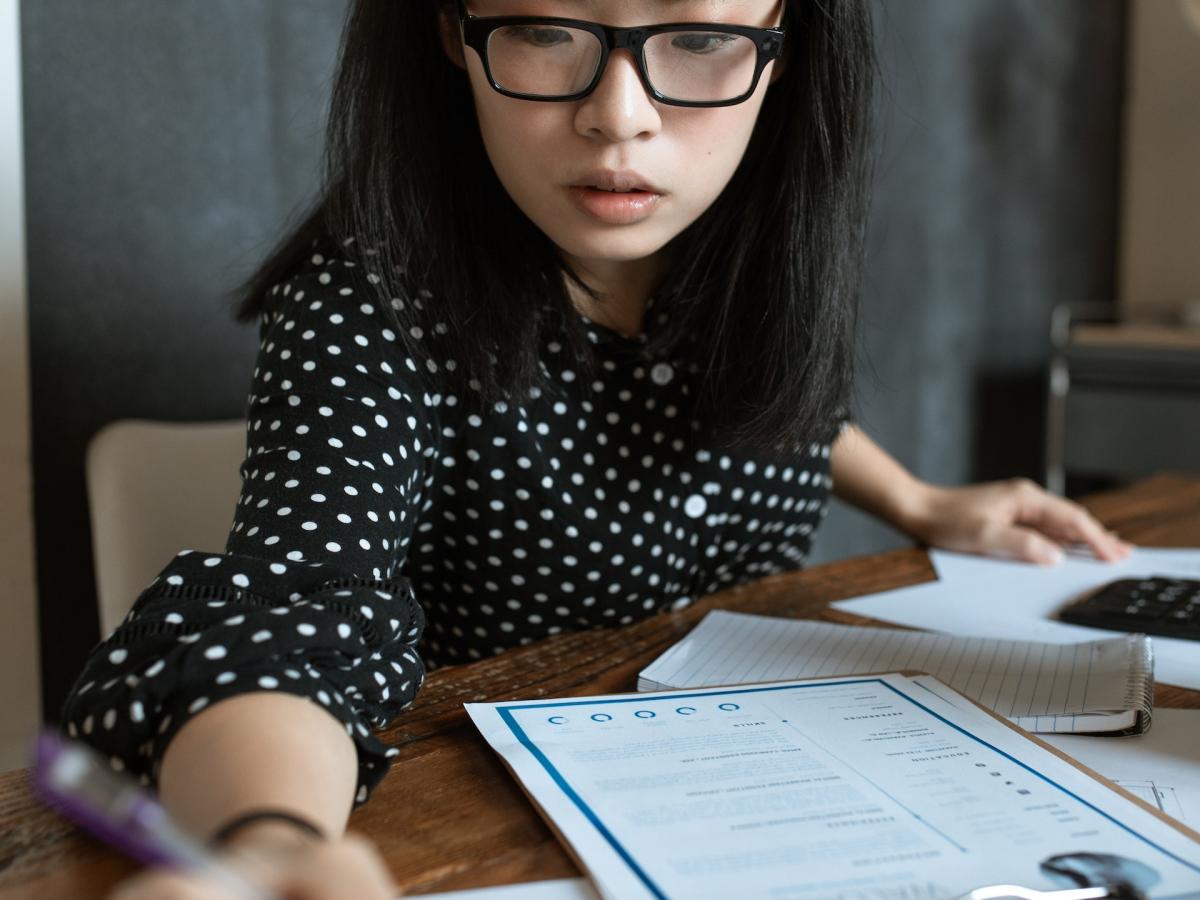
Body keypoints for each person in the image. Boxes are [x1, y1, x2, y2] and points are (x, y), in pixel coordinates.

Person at [65, 1, 1131, 897]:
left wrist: (919, 501)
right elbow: (287, 619)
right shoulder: (374, 303)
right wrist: (275, 843)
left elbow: (768, 399)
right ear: (450, 31)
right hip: (501, 841)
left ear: (785, 43)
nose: (618, 117)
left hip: (775, 817)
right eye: (543, 30)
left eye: (703, 41)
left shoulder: (748, 254)